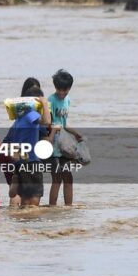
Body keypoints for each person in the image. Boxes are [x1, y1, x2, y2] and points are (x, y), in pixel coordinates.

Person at [6, 86, 51, 207]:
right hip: (32, 162)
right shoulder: (31, 114)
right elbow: (47, 121)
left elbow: (10, 141)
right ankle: (32, 223)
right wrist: (45, 104)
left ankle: (23, 222)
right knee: (35, 199)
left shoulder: (18, 119)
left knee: (25, 198)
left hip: (20, 163)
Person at [47, 69, 83, 206]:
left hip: (65, 145)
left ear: (69, 88)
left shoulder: (67, 100)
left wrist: (75, 133)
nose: (62, 93)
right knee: (57, 178)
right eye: (59, 89)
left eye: (65, 90)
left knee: (68, 178)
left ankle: (69, 208)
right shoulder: (51, 100)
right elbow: (48, 123)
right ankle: (52, 207)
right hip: (54, 145)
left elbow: (64, 123)